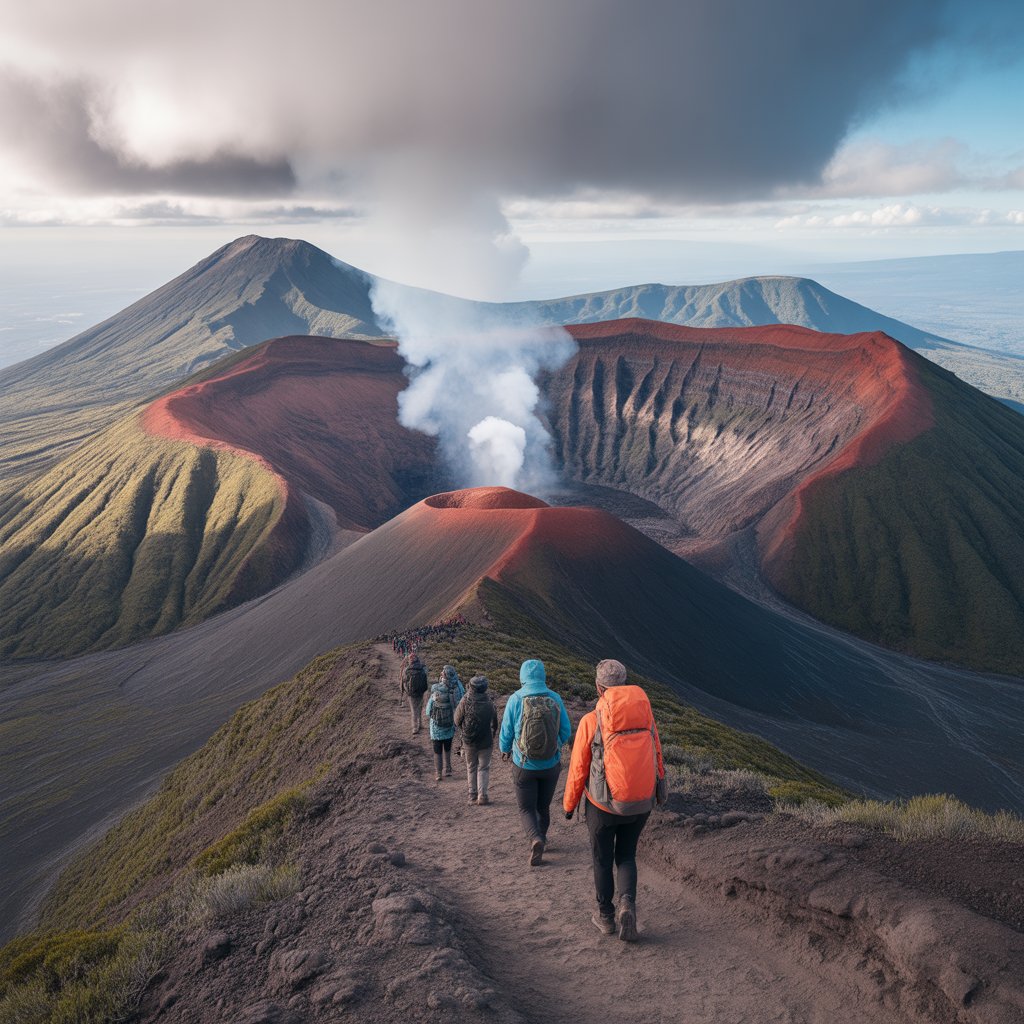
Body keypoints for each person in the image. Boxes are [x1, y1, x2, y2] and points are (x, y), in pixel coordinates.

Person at [562, 659, 666, 941]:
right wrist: (659, 789)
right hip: (640, 803)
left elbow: (579, 768)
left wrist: (569, 805)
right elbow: (657, 753)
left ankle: (606, 917)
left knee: (602, 859)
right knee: (627, 856)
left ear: (599, 687)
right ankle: (627, 904)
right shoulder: (645, 716)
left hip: (603, 805)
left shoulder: (590, 721)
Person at [499, 659, 571, 866]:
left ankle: (535, 838)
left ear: (522, 677)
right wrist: (554, 744)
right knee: (543, 806)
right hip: (551, 765)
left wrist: (504, 750)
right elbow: (566, 731)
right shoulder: (555, 698)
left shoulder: (515, 699)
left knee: (526, 808)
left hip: (523, 765)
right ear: (543, 675)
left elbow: (506, 732)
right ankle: (543, 838)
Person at [454, 674, 499, 805]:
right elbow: (494, 723)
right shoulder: (490, 702)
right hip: (486, 741)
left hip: (469, 741)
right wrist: (493, 734)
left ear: (471, 687)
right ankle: (483, 796)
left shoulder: (465, 700)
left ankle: (472, 796)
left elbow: (456, 721)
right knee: (484, 768)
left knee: (471, 767)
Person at [425, 677, 457, 780]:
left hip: (436, 731)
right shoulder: (451, 696)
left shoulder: (433, 699)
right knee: (447, 749)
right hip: (449, 729)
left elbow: (427, 712)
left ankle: (438, 773)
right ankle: (447, 769)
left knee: (437, 751)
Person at [400, 653, 429, 736]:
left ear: (410, 660)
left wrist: (407, 691)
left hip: (411, 694)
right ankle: (420, 724)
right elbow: (426, 676)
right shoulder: (423, 668)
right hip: (421, 692)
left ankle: (415, 727)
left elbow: (404, 682)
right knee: (419, 708)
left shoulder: (406, 669)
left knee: (414, 710)